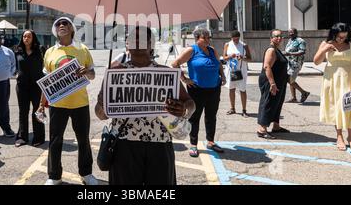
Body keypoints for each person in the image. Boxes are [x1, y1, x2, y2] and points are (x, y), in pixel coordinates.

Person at [95, 26, 195, 185]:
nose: (137, 42)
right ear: (127, 44)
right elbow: (100, 114)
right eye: (132, 38)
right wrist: (102, 106)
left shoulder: (166, 73)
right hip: (124, 144)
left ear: (151, 44)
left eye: (141, 38)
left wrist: (185, 111)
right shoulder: (115, 74)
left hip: (160, 145)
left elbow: (190, 103)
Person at [36, 17, 97, 186]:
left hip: (80, 103)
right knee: (55, 140)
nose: (62, 26)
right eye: (58, 24)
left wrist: (87, 73)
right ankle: (54, 176)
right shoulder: (49, 52)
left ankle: (86, 174)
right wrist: (42, 104)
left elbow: (92, 75)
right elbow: (47, 82)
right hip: (57, 104)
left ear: (72, 29)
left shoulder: (82, 49)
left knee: (83, 140)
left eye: (66, 23)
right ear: (55, 30)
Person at [172, 27, 226, 157]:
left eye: (209, 37)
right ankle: (194, 144)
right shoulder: (192, 50)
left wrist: (222, 76)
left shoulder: (212, 50)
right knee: (195, 117)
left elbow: (218, 64)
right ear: (197, 38)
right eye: (205, 37)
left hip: (214, 89)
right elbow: (175, 63)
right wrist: (184, 79)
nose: (208, 40)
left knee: (211, 116)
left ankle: (211, 141)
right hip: (197, 90)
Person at [314, 23, 351, 151]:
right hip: (333, 80)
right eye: (340, 37)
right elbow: (316, 61)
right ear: (334, 34)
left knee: (350, 107)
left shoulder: (350, 44)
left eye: (344, 37)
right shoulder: (325, 44)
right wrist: (325, 49)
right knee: (337, 107)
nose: (342, 40)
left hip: (349, 79)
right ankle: (339, 136)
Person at [14, 30, 45, 148]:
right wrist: (15, 73)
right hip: (22, 86)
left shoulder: (40, 50)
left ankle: (39, 137)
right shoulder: (17, 50)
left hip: (37, 86)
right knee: (23, 112)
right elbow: (13, 64)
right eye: (24, 36)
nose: (26, 38)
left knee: (37, 111)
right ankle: (22, 137)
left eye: (29, 36)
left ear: (33, 38)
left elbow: (46, 65)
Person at [257, 29, 289, 139]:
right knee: (268, 103)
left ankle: (276, 126)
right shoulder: (271, 50)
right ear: (271, 38)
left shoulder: (277, 49)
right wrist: (272, 84)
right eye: (276, 36)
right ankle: (262, 129)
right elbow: (267, 67)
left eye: (281, 36)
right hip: (270, 81)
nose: (279, 38)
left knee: (277, 103)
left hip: (279, 81)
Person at [223, 30, 252, 117]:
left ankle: (244, 110)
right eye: (234, 39)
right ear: (231, 38)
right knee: (231, 89)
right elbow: (224, 58)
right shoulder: (227, 44)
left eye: (237, 39)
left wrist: (242, 57)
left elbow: (250, 58)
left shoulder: (244, 45)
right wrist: (230, 56)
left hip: (241, 71)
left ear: (239, 38)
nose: (235, 41)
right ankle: (232, 108)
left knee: (242, 89)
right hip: (231, 70)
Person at [283, 28, 310, 103]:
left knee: (289, 79)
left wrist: (289, 54)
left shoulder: (301, 41)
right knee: (290, 79)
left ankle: (304, 92)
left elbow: (302, 51)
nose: (290, 33)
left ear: (296, 33)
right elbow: (288, 51)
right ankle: (293, 98)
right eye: (289, 32)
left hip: (296, 64)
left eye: (292, 32)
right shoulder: (290, 40)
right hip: (289, 63)